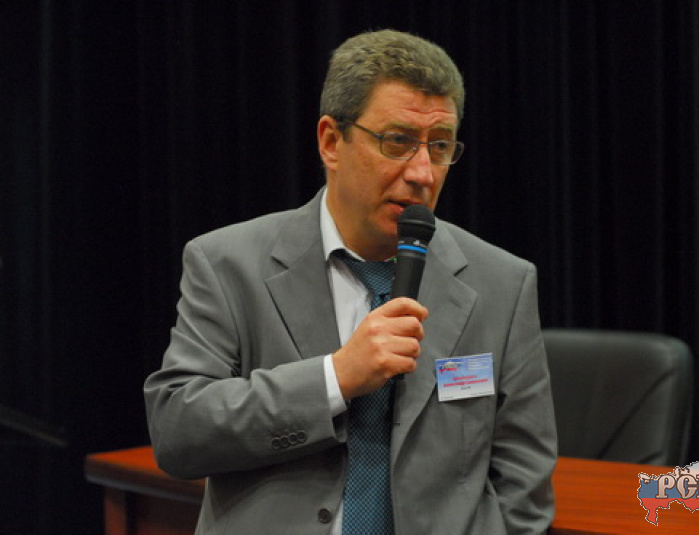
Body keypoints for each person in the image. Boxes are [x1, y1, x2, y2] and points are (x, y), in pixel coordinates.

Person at [144, 29, 557, 534]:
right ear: (330, 141)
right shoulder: (229, 263)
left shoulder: (503, 283)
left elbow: (524, 482)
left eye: (440, 146)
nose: (423, 173)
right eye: (398, 141)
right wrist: (334, 379)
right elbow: (179, 432)